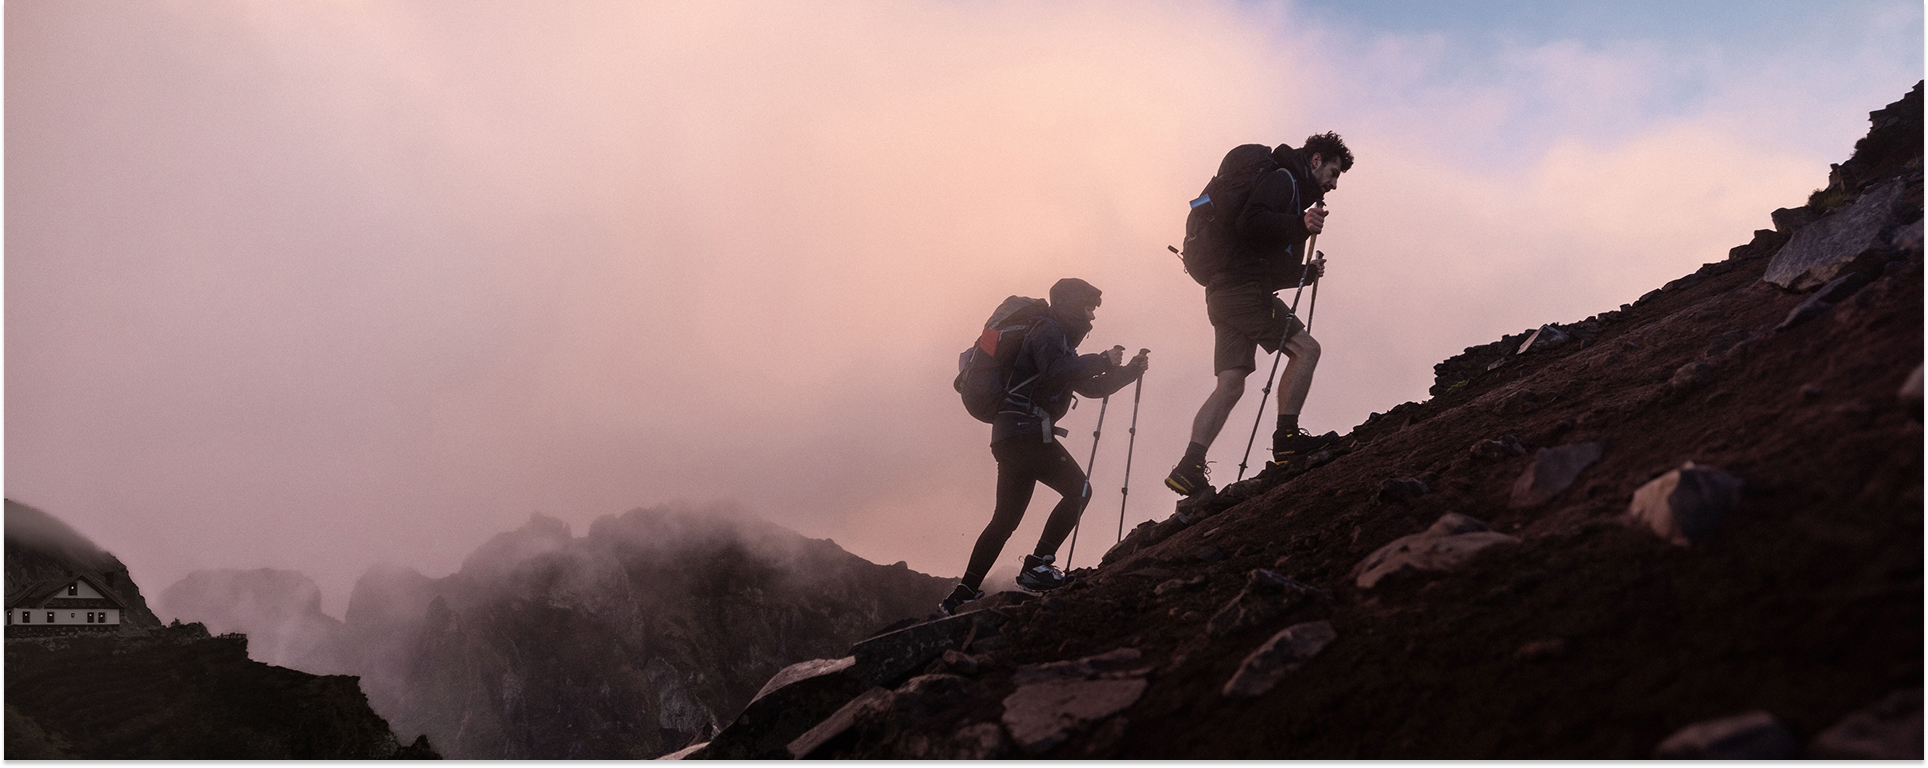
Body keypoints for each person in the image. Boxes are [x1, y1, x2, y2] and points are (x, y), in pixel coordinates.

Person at [940, 278, 1149, 615]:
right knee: (1079, 491)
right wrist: (1104, 360)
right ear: (1071, 303)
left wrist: (1128, 372)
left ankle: (961, 595)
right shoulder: (1047, 330)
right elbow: (1056, 372)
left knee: (1005, 519)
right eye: (1088, 307)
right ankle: (1038, 565)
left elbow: (1089, 387)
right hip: (1026, 431)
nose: (1092, 316)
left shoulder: (1058, 339)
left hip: (1009, 435)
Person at [1164, 132, 1354, 497]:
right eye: (1333, 172)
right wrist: (1300, 225)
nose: (1333, 183)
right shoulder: (1284, 180)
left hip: (1223, 292)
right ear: (1315, 160)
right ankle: (1286, 440)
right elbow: (1250, 224)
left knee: (1231, 382)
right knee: (1306, 350)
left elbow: (1259, 252)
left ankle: (1188, 468)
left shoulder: (1289, 186)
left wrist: (1304, 274)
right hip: (1243, 290)